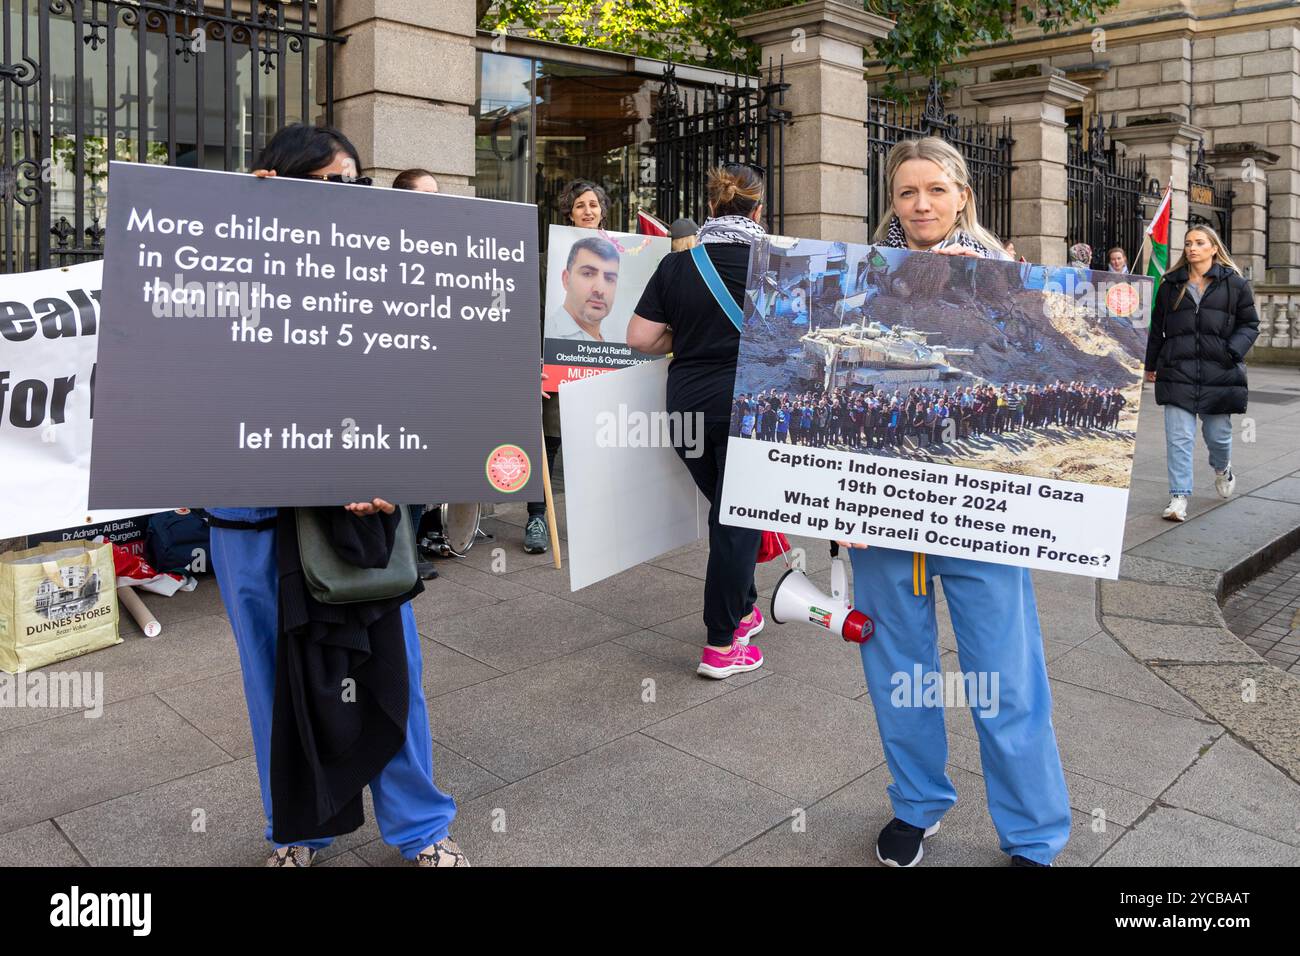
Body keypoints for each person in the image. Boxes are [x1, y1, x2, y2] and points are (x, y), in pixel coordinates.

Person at [214, 123, 466, 868]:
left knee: (392, 677)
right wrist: (242, 227)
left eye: (349, 184)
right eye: (319, 182)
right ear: (274, 180)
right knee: (274, 686)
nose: (338, 199)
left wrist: (393, 475)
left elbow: (414, 387)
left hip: (359, 520)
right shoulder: (217, 263)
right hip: (254, 518)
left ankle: (421, 829)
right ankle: (299, 830)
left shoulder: (382, 275)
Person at [842, 136, 1070, 868]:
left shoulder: (1003, 274)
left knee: (1006, 677)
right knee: (898, 670)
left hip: (981, 510)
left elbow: (1051, 364)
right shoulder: (862, 276)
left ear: (963, 195)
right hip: (885, 511)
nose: (921, 205)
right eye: (907, 192)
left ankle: (1033, 833)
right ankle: (917, 805)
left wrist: (1002, 291)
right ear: (894, 202)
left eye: (936, 190)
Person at [627, 163, 768, 679]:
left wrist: (685, 339)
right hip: (750, 403)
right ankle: (720, 643)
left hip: (685, 405)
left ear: (711, 208)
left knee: (730, 512)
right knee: (736, 519)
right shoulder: (777, 264)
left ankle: (745, 608)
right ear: (758, 209)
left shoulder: (678, 266)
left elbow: (640, 339)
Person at [1144, 225, 1259, 522]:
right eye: (1188, 243)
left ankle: (1223, 469)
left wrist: (1231, 351)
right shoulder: (1171, 284)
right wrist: (1150, 364)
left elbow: (1250, 325)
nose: (1192, 248)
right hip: (1177, 370)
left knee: (1218, 436)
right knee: (1179, 437)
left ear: (1213, 248)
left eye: (1199, 243)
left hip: (1219, 372)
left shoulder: (1235, 284)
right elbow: (1157, 328)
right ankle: (1179, 497)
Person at [527, 180, 612, 554]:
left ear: (602, 211)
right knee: (550, 442)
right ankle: (537, 517)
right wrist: (534, 362)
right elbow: (533, 314)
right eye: (580, 205)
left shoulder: (621, 255)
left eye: (594, 204)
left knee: (593, 448)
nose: (588, 210)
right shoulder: (548, 260)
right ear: (569, 212)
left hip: (603, 366)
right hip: (559, 367)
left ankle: (594, 522)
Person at [544, 236, 622, 341]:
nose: (600, 290)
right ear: (566, 279)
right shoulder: (546, 336)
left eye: (609, 279)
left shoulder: (617, 342)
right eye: (588, 274)